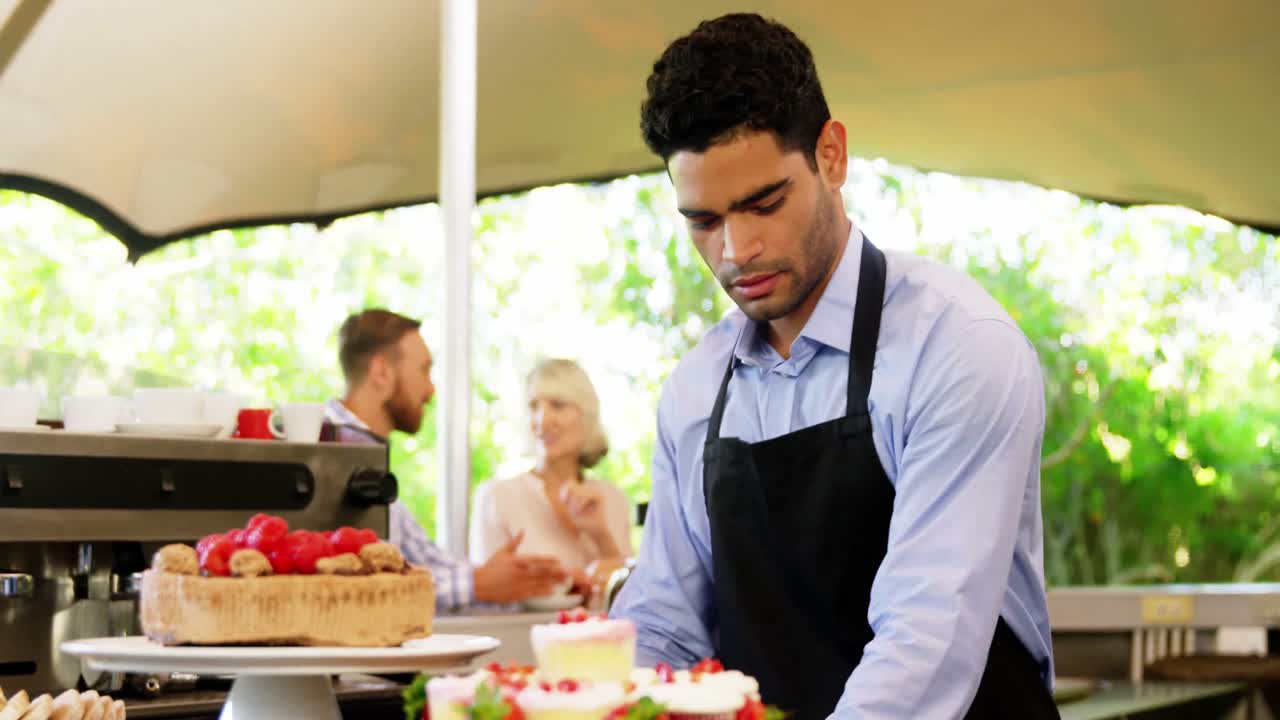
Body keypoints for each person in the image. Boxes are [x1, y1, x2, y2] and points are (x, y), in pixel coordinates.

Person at [608, 13, 1058, 720]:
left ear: (832, 155)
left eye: (764, 203)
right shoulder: (695, 390)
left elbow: (926, 640)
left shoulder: (956, 347)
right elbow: (665, 624)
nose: (736, 251)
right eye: (704, 221)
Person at [325, 308, 568, 611]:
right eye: (424, 370)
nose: (430, 389)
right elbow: (358, 584)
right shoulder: (324, 455)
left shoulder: (368, 461)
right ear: (381, 373)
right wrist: (478, 583)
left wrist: (534, 579)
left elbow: (424, 562)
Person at [469, 359, 632, 597]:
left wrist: (600, 535)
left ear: (586, 415)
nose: (542, 421)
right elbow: (486, 596)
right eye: (534, 406)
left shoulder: (614, 499)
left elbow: (632, 596)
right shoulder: (496, 497)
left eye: (558, 405)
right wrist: (567, 581)